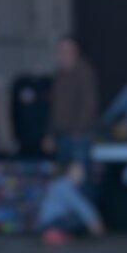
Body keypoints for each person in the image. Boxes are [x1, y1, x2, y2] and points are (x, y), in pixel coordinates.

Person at [45, 37, 99, 166]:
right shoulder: (58, 75)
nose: (64, 56)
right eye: (61, 52)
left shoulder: (84, 72)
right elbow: (54, 107)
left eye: (68, 52)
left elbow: (89, 104)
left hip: (80, 137)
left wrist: (78, 131)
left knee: (78, 174)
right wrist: (49, 134)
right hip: (62, 136)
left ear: (76, 53)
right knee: (62, 173)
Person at [36, 161, 105, 243]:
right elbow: (80, 206)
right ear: (69, 172)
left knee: (79, 219)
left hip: (51, 222)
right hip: (51, 223)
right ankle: (54, 233)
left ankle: (60, 233)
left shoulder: (63, 184)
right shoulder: (64, 185)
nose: (82, 174)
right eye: (78, 171)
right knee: (80, 219)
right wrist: (94, 222)